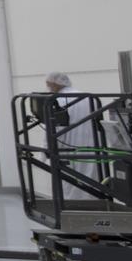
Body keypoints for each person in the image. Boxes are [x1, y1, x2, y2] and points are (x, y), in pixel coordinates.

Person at [46, 72, 95, 200]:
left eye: (48, 84)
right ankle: (94, 207)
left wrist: (47, 150)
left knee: (69, 184)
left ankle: (71, 210)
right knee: (90, 180)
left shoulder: (57, 101)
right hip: (91, 148)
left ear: (54, 84)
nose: (47, 87)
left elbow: (55, 129)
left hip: (67, 149)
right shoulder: (86, 97)